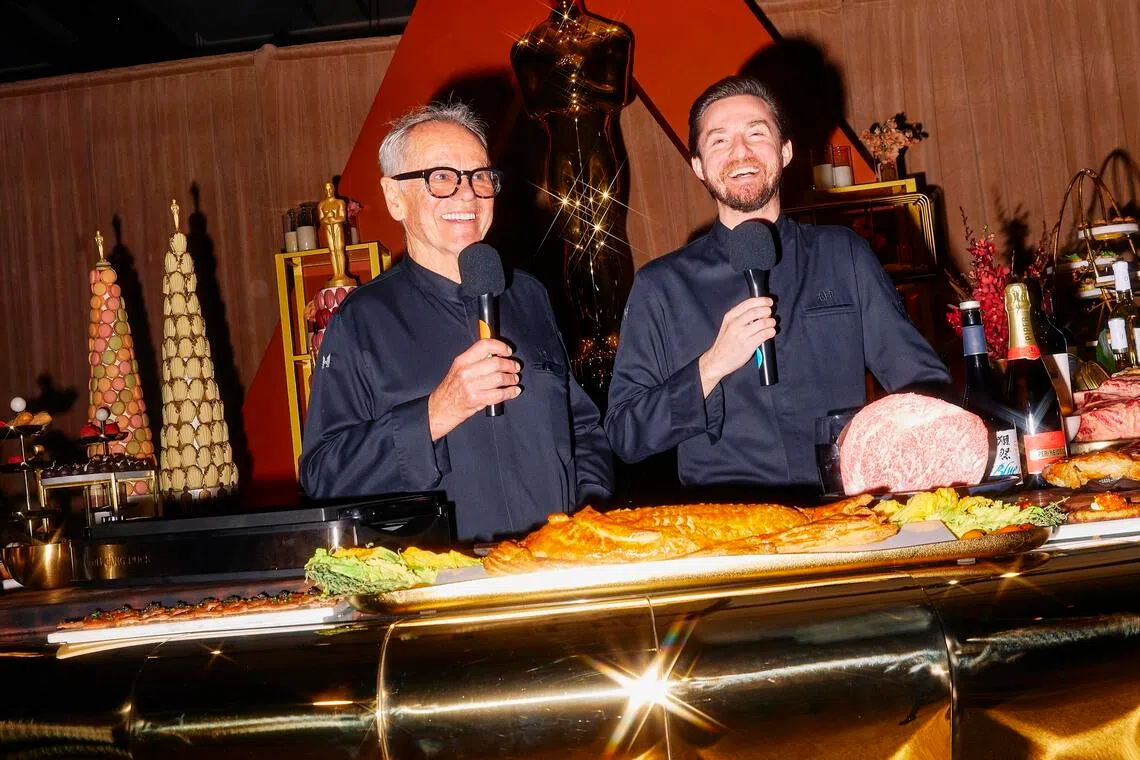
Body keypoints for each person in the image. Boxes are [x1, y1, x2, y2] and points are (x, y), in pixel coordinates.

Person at [605, 76, 950, 491]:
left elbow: (922, 387)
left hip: (846, 517)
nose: (740, 152)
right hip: (728, 531)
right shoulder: (661, 286)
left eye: (756, 133)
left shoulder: (842, 255)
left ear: (785, 151)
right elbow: (626, 434)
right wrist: (711, 365)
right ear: (697, 165)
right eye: (719, 141)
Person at [300, 102, 613, 541]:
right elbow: (322, 474)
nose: (467, 194)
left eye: (480, 177)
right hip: (444, 586)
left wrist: (587, 514)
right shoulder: (360, 321)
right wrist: (435, 413)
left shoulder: (527, 294)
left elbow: (582, 429)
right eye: (441, 177)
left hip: (554, 571)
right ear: (394, 197)